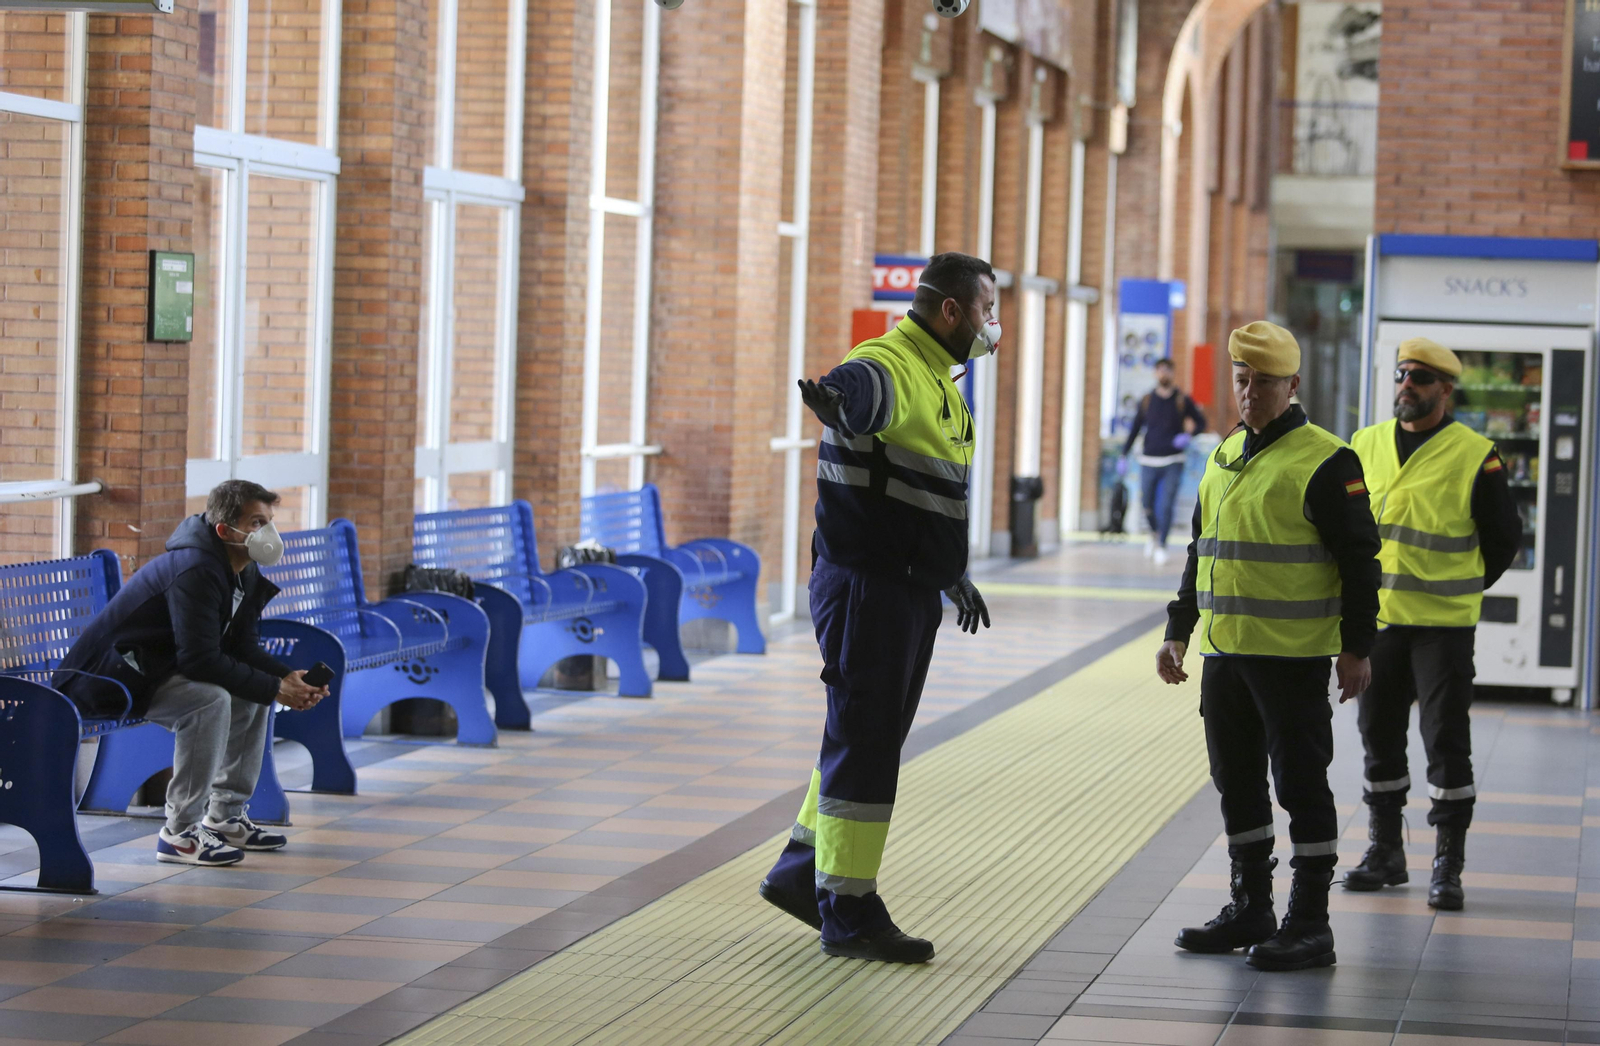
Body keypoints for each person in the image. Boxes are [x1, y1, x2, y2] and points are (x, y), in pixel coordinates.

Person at [758, 251, 996, 964]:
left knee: (862, 737)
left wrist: (951, 571)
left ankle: (804, 872)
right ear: (950, 310)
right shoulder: (891, 363)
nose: (992, 324)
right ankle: (849, 910)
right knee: (865, 744)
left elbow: (917, 488)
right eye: (985, 310)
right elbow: (859, 388)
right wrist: (837, 401)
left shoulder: (937, 377)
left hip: (904, 584)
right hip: (870, 589)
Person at [1156, 321, 1380, 972]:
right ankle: (1251, 905)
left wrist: (1356, 647)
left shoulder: (1327, 460)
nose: (1249, 393)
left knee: (1301, 786)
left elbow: (1361, 561)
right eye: (1241, 380)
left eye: (1264, 382)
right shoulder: (1224, 454)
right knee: (1237, 784)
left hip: (1292, 659)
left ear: (1293, 385)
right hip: (1225, 655)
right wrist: (1178, 630)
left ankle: (1310, 922)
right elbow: (1202, 550)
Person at [56, 480, 329, 866]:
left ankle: (225, 817)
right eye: (256, 522)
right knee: (208, 701)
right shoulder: (195, 569)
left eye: (269, 521)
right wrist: (275, 688)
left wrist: (287, 680)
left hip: (151, 671)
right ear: (224, 530)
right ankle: (179, 833)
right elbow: (199, 661)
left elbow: (243, 648)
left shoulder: (243, 567)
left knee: (252, 693)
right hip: (106, 679)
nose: (268, 532)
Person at [1343, 338, 1521, 910]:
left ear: (1445, 389)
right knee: (1377, 736)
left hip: (1443, 627)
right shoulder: (1364, 444)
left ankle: (1448, 865)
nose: (1406, 385)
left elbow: (1503, 539)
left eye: (1419, 378)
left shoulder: (1476, 454)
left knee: (1445, 740)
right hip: (1379, 623)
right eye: (1401, 374)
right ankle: (1385, 852)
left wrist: (1459, 585)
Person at [1122, 358, 1207, 564]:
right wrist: (1124, 454)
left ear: (1172, 373)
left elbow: (1201, 422)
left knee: (1167, 504)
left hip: (1173, 460)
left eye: (1167, 370)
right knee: (1147, 503)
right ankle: (1153, 533)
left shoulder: (1182, 400)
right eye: (1160, 370)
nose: (1163, 373)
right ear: (1155, 373)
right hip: (1148, 460)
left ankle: (1162, 544)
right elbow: (1135, 429)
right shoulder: (1147, 401)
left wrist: (1188, 436)